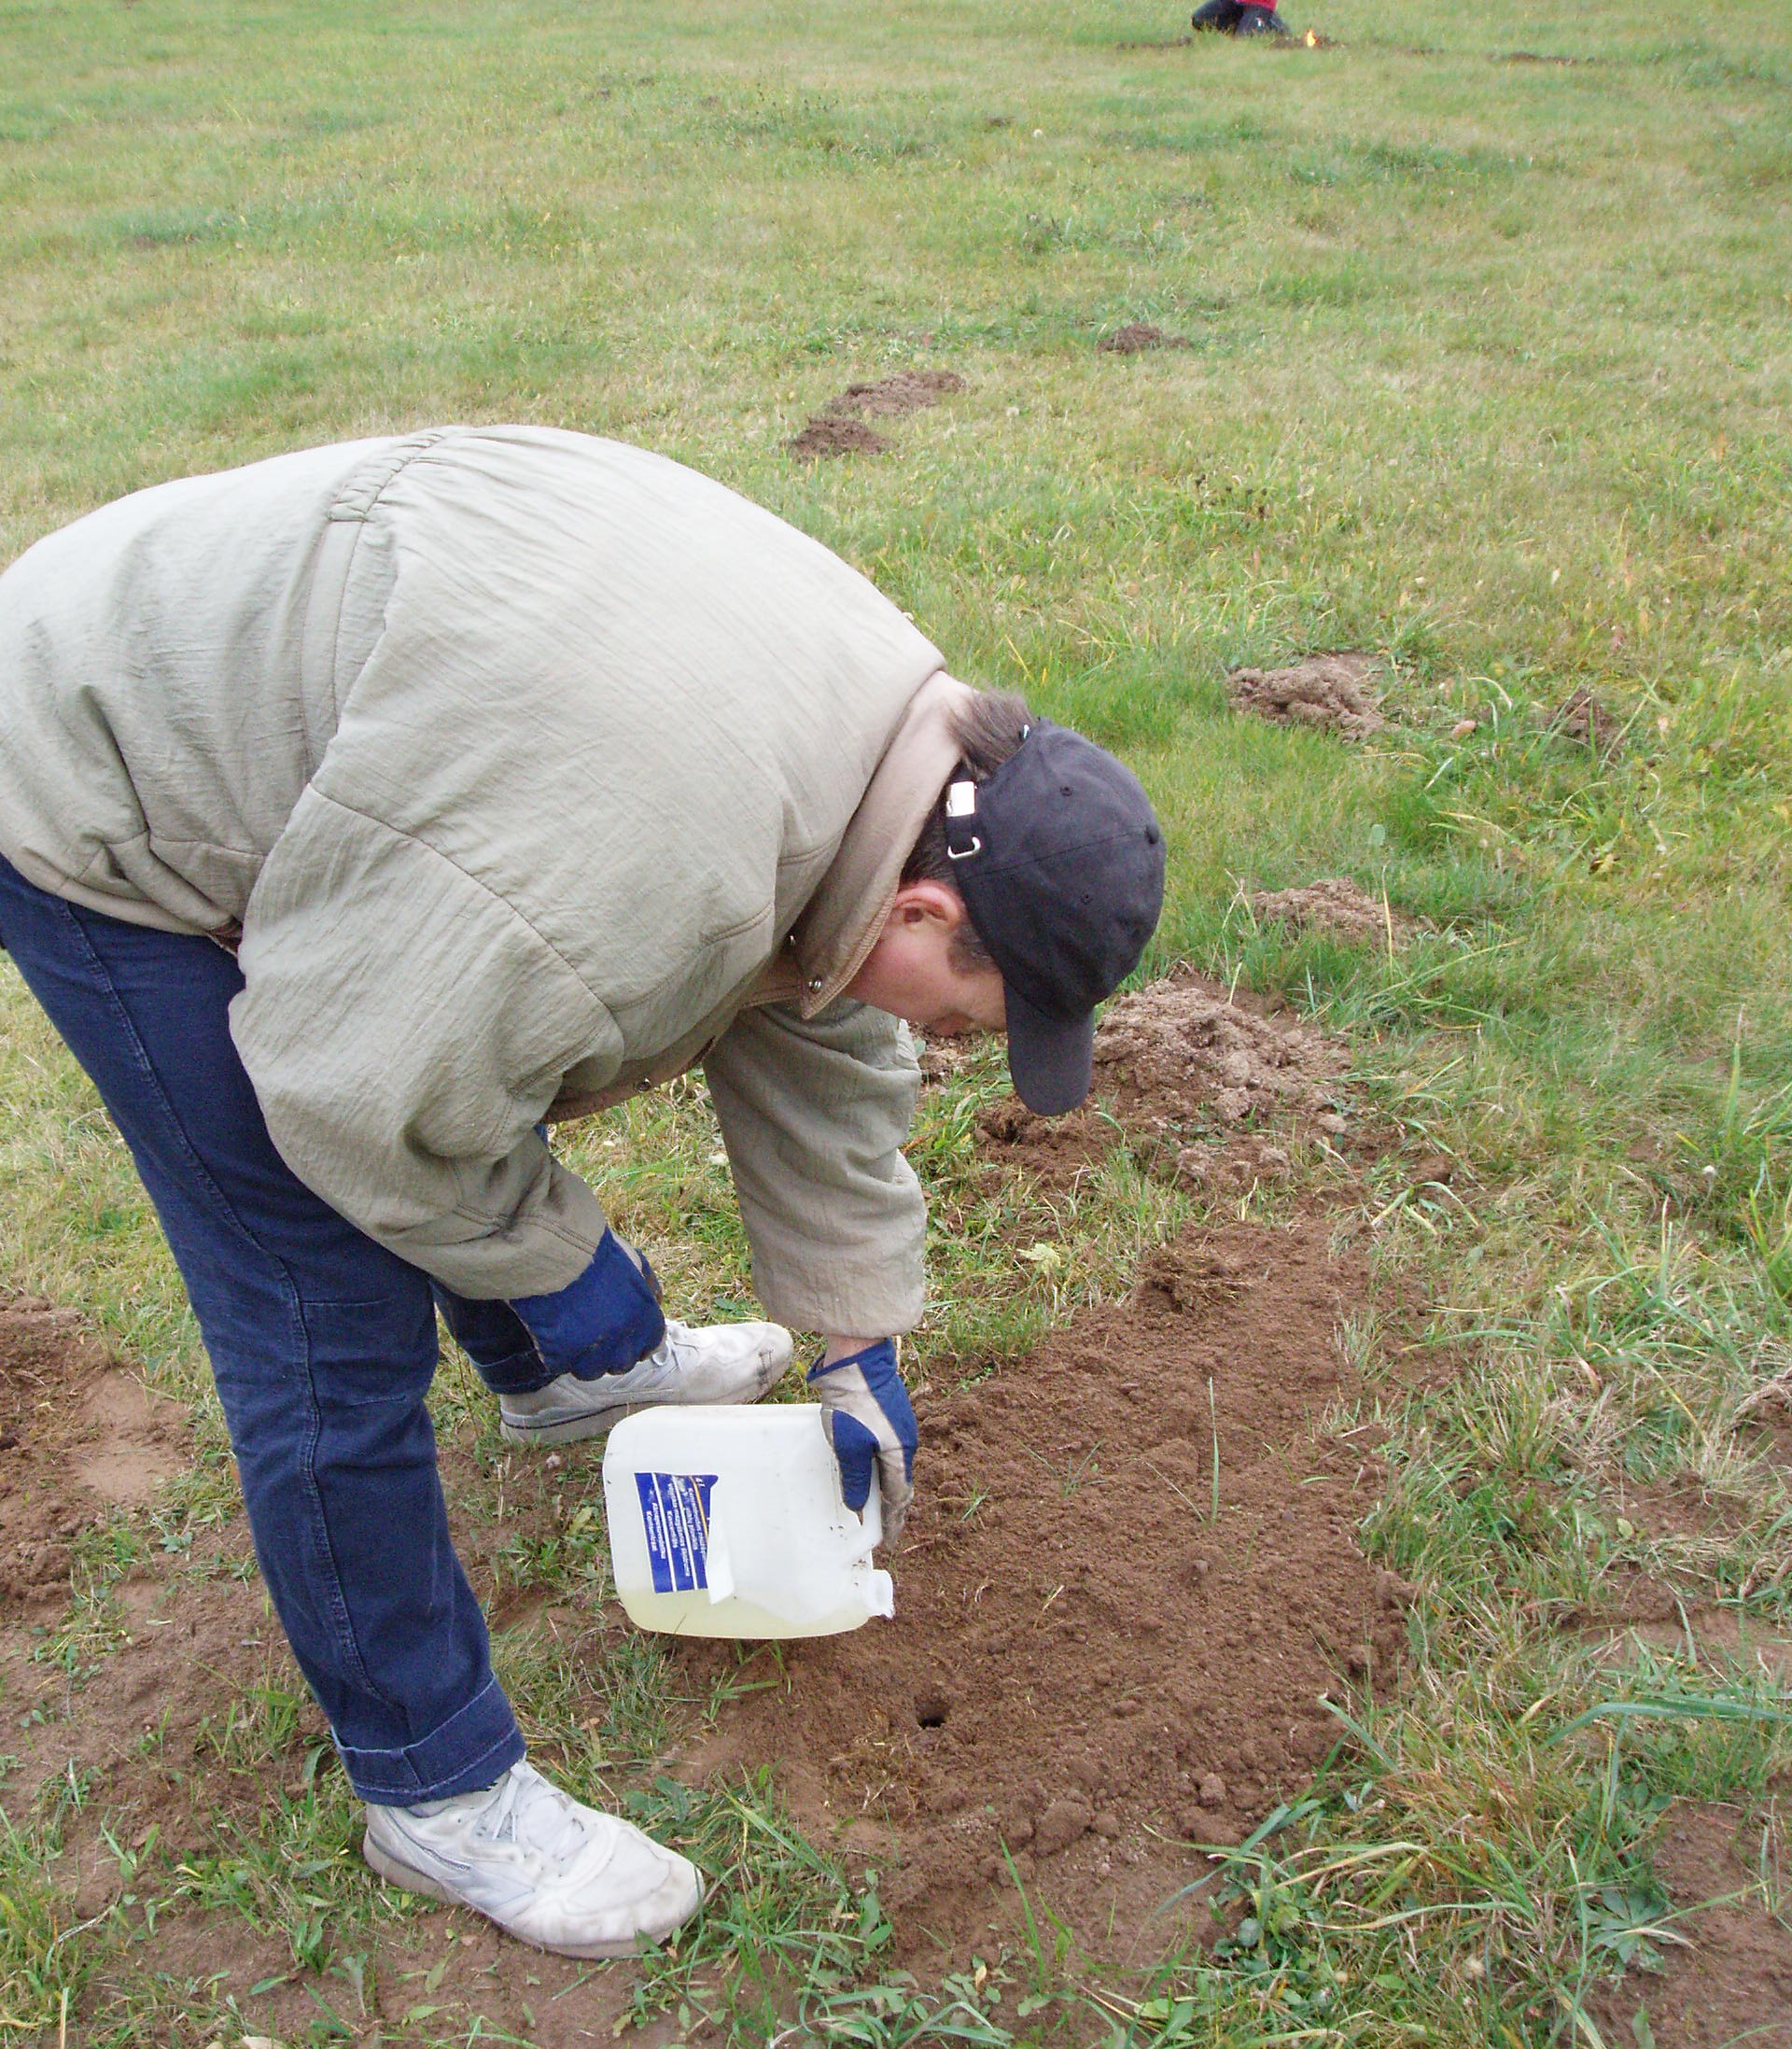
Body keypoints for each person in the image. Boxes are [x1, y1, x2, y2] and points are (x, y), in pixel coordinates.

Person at [0, 428, 1165, 1958]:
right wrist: (577, 1280)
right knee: (320, 1304)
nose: (944, 1044)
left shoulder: (893, 753)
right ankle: (437, 1790)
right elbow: (364, 1095)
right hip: (106, 768)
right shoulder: (643, 847)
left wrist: (854, 1337)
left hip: (388, 746)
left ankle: (565, 1393)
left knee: (464, 1064)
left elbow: (819, 1015)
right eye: (971, 1016)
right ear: (936, 905)